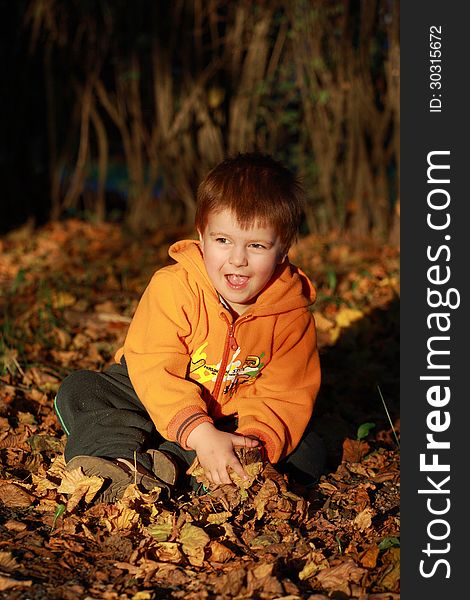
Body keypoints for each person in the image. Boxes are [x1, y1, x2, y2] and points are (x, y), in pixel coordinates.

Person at [54, 152, 325, 502]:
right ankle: (117, 459)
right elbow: (153, 366)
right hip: (155, 395)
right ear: (202, 235)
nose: (237, 259)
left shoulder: (291, 314)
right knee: (81, 389)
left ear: (282, 250)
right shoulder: (174, 286)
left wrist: (247, 440)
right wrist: (197, 430)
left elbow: (286, 393)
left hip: (233, 414)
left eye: (256, 245)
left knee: (309, 451)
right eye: (223, 240)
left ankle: (174, 465)